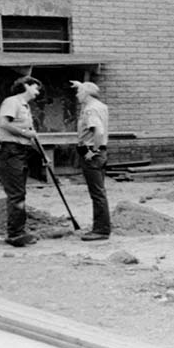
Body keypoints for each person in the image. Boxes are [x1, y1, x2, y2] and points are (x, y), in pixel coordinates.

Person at [0, 76, 43, 247]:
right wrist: (25, 132)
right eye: (35, 88)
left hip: (21, 151)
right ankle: (15, 234)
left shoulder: (25, 106)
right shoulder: (12, 102)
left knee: (20, 192)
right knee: (16, 194)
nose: (37, 92)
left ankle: (19, 230)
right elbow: (3, 123)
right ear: (25, 86)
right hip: (10, 151)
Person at [72, 80, 110, 241]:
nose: (77, 95)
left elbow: (99, 132)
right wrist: (81, 84)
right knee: (99, 191)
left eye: (79, 92)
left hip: (91, 152)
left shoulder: (90, 109)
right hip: (100, 152)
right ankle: (101, 227)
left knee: (97, 193)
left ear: (86, 94)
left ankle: (101, 230)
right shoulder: (100, 105)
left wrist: (92, 151)